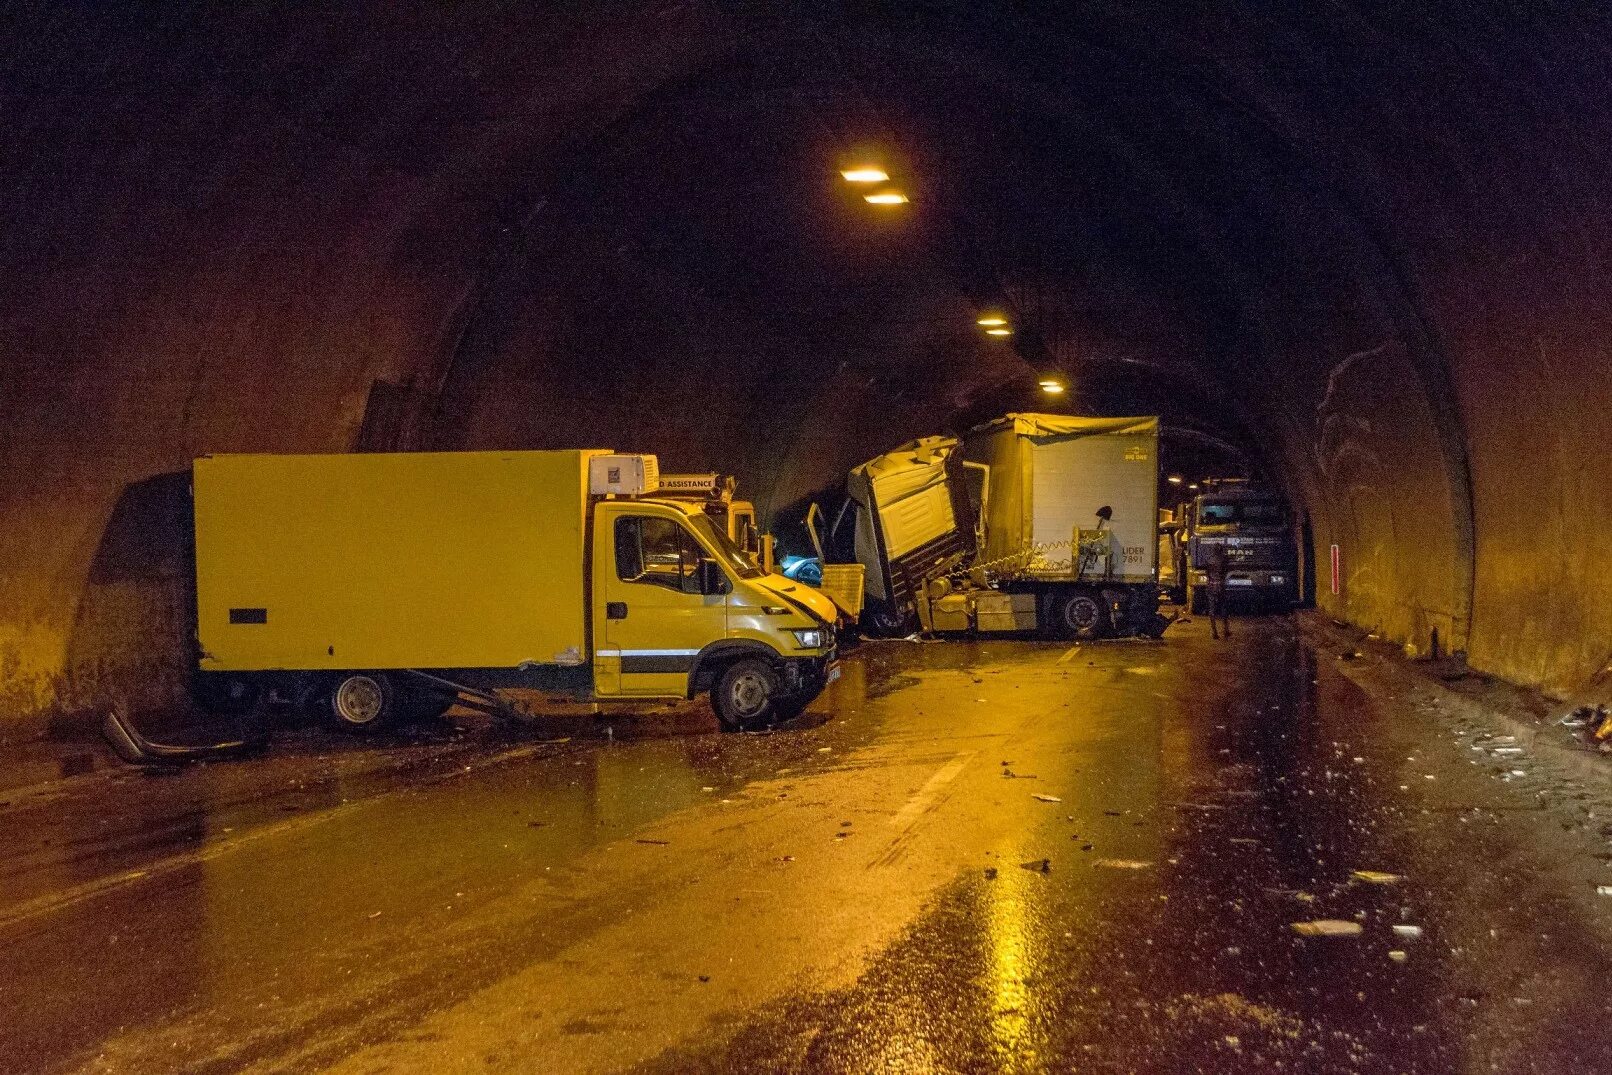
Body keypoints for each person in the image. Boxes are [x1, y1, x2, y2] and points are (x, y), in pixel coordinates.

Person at [1205, 545, 1231, 639]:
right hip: (1220, 585)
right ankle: (1225, 630)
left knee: (1212, 608)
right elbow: (1226, 571)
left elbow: (1207, 573)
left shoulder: (1209, 559)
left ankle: (1214, 632)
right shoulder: (1224, 559)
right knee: (1224, 607)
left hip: (1211, 585)